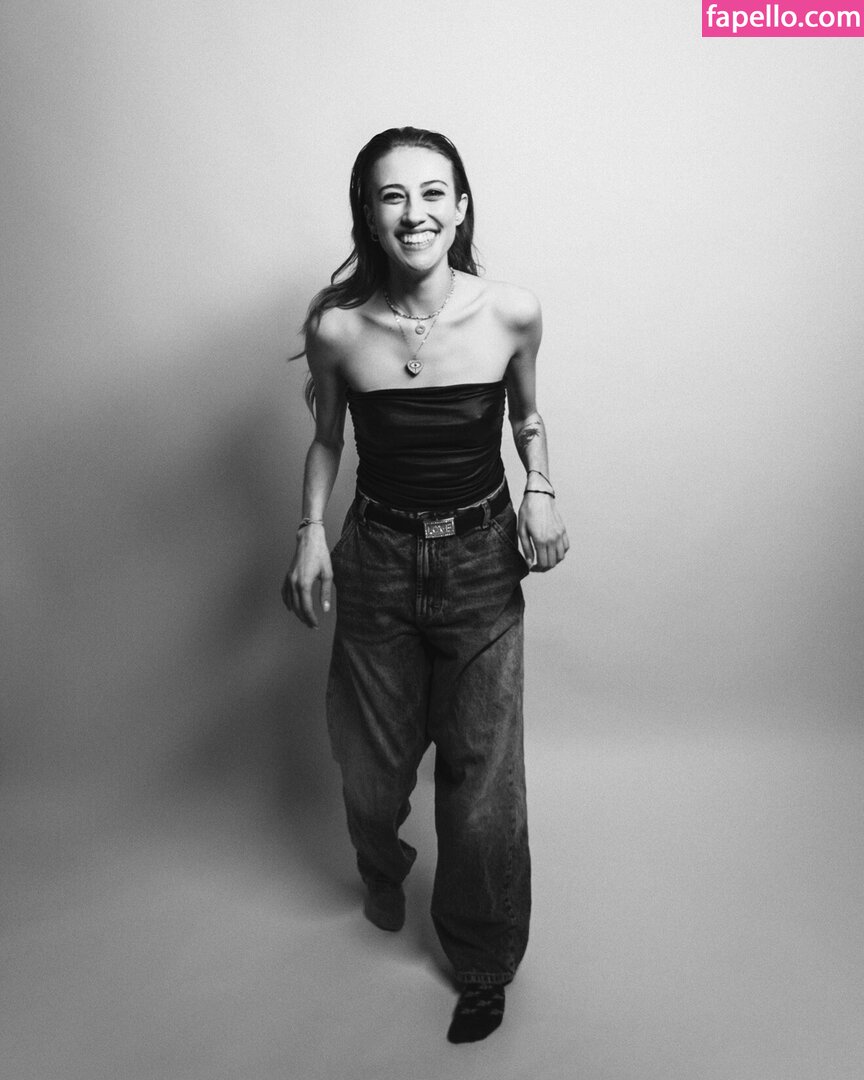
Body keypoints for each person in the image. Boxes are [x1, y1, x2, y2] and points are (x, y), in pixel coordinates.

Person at [283, 127, 568, 1043]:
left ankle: (483, 964)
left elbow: (528, 417)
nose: (416, 214)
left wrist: (541, 490)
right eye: (394, 196)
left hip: (482, 558)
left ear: (462, 206)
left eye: (434, 193)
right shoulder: (338, 329)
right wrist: (310, 535)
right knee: (371, 770)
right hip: (376, 559)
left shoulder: (511, 313)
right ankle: (380, 863)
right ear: (369, 214)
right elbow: (327, 438)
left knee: (483, 782)